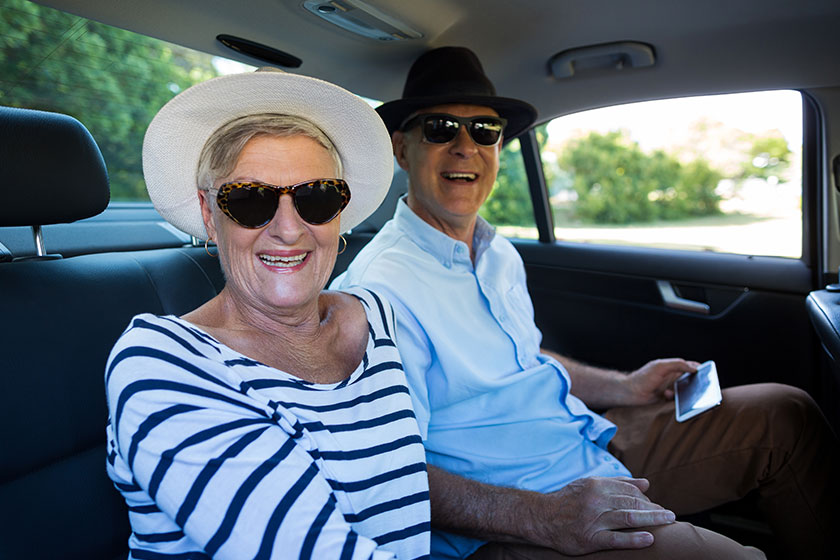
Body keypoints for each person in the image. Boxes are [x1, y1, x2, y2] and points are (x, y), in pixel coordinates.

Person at [332, 47, 839, 559]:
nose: (466, 147)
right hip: (521, 512)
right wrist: (542, 516)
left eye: (484, 131)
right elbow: (388, 467)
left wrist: (626, 386)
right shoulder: (379, 290)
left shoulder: (497, 252)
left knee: (783, 414)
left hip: (586, 442)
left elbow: (523, 359)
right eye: (440, 129)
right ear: (402, 149)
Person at [105, 69, 430, 559]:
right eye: (249, 199)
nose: (288, 230)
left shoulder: (375, 316)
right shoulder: (159, 362)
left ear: (339, 213)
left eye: (316, 197)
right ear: (209, 215)